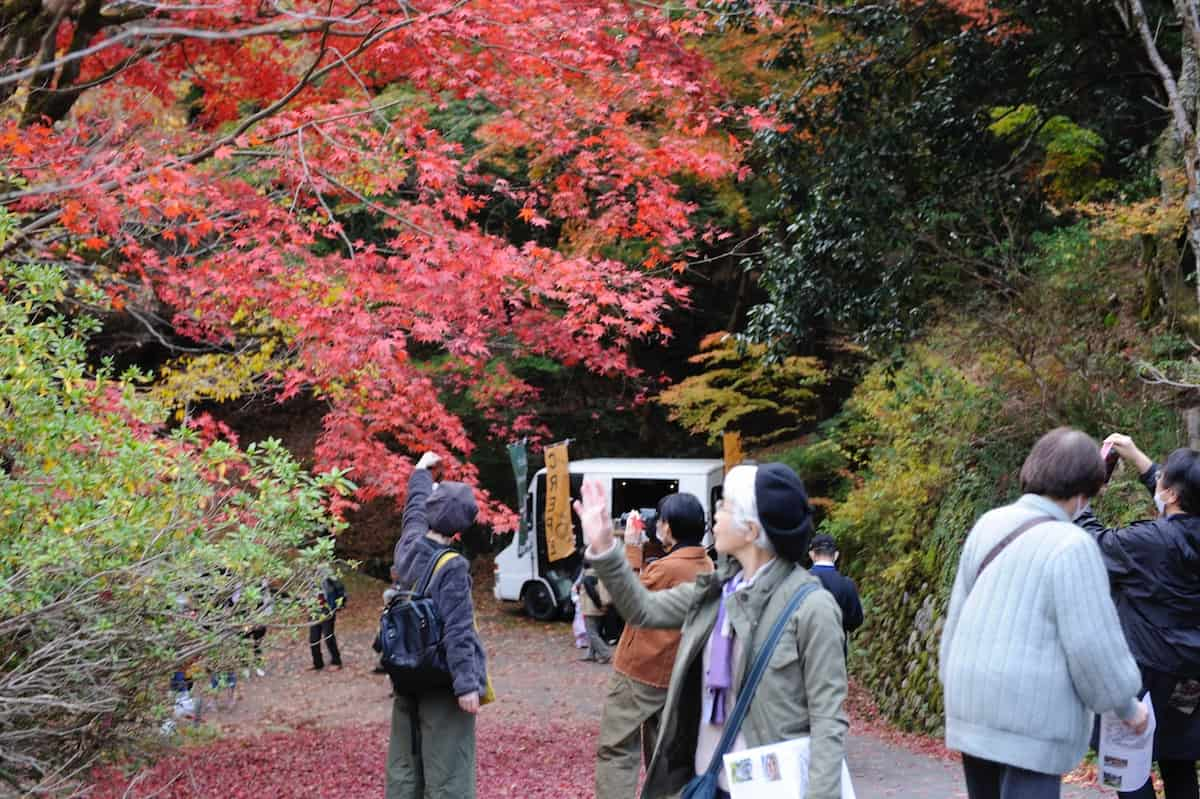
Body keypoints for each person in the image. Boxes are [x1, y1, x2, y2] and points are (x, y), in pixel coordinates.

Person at [577, 462, 848, 799]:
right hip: (707, 783)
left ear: (750, 530)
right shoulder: (717, 591)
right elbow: (642, 609)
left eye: (725, 506)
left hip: (769, 788)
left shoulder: (813, 608)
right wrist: (604, 548)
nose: (715, 515)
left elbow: (828, 720)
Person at [939, 427, 1149, 799]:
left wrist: (954, 687)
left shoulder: (989, 524)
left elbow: (956, 618)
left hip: (971, 704)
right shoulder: (1072, 545)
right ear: (1086, 489)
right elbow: (1092, 646)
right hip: (1031, 717)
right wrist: (1127, 706)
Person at [1074, 433, 1200, 799]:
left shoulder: (1148, 542)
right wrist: (1141, 461)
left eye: (1161, 480)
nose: (1156, 481)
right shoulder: (1175, 533)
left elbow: (1094, 545)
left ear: (1172, 495)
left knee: (1126, 766)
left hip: (1141, 673)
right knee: (1179, 760)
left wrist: (1080, 498)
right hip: (1189, 676)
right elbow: (1178, 508)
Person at [594, 493, 716, 799]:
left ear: (670, 528)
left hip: (639, 673)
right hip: (677, 676)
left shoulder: (665, 569)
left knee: (617, 750)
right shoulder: (708, 565)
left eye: (660, 521)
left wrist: (631, 550)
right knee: (666, 760)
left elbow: (619, 599)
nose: (656, 526)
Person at [387, 451, 488, 799]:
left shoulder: (409, 545)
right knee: (448, 769)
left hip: (405, 670)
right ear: (461, 527)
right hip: (441, 680)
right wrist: (467, 685)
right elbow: (458, 630)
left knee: (405, 763)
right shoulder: (453, 567)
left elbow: (414, 510)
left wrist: (419, 472)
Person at [807, 534, 863, 654]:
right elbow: (855, 621)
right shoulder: (847, 584)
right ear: (836, 555)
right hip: (836, 652)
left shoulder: (800, 582)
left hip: (805, 652)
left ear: (811, 555)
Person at [308, 573, 344, 671]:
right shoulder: (308, 574)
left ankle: (336, 661)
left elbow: (340, 589)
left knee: (328, 636)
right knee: (313, 638)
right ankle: (317, 663)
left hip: (327, 609)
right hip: (314, 610)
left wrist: (339, 605)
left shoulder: (328, 575)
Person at [579, 563, 612, 663]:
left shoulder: (587, 578)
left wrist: (599, 606)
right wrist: (602, 606)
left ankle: (605, 653)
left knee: (591, 633)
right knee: (595, 632)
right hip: (599, 609)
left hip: (591, 609)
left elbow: (592, 593)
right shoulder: (599, 574)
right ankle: (591, 654)